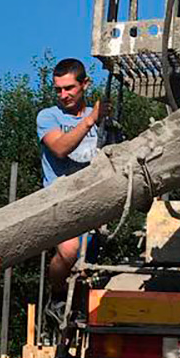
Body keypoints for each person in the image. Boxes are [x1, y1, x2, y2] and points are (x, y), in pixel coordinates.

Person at [37, 58, 106, 286]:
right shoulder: (48, 116)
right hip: (59, 198)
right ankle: (57, 296)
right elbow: (59, 148)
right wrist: (89, 121)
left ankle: (77, 302)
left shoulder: (100, 117)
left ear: (85, 84)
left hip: (92, 198)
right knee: (69, 251)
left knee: (86, 265)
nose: (63, 95)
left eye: (69, 88)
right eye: (58, 90)